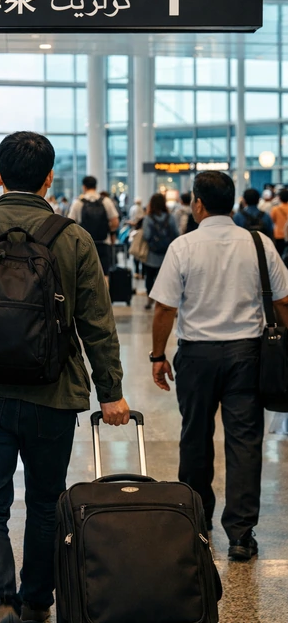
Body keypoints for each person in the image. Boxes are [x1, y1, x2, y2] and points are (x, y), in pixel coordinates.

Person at [0, 131, 129, 623]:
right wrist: (112, 392)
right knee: (45, 502)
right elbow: (98, 323)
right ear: (50, 179)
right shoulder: (71, 236)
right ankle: (36, 599)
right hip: (52, 394)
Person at [149, 171, 288, 562]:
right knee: (245, 442)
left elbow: (165, 308)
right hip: (247, 356)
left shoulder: (184, 246)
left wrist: (157, 355)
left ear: (197, 204)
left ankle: (196, 521)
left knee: (195, 436)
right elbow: (283, 300)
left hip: (197, 357)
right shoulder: (259, 244)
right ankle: (242, 535)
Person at [68, 176, 119, 283]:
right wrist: (106, 229)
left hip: (83, 244)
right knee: (104, 275)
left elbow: (70, 224)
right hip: (103, 243)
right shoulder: (106, 201)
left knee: (84, 276)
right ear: (96, 186)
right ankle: (104, 299)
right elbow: (115, 222)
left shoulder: (78, 203)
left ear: (84, 187)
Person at [142, 193, 178, 310]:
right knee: (165, 278)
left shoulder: (148, 218)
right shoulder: (170, 217)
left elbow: (146, 235)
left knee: (149, 277)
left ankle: (149, 298)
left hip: (152, 254)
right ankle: (163, 300)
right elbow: (176, 234)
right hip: (167, 254)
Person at [271, 188, 288, 256]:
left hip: (278, 235)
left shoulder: (275, 209)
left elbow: (272, 220)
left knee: (279, 255)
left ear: (280, 198)